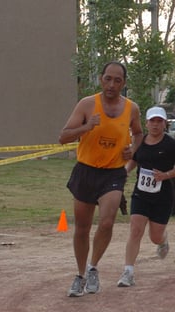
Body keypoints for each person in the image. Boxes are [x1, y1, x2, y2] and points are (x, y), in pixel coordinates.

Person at [59, 61, 143, 297]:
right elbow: (63, 137)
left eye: (117, 80)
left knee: (107, 222)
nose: (112, 84)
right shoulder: (87, 104)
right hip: (86, 171)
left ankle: (93, 267)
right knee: (82, 228)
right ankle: (80, 275)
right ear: (101, 79)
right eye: (108, 79)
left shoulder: (131, 109)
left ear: (123, 83)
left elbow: (138, 133)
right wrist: (86, 127)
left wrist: (133, 151)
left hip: (113, 173)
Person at [117, 106, 175, 287]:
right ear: (146, 123)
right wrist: (126, 172)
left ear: (165, 124)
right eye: (152, 121)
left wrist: (165, 176)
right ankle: (128, 272)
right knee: (135, 230)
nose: (156, 125)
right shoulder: (140, 141)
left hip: (162, 196)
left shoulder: (171, 144)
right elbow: (135, 159)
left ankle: (163, 240)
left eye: (159, 121)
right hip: (141, 193)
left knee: (154, 237)